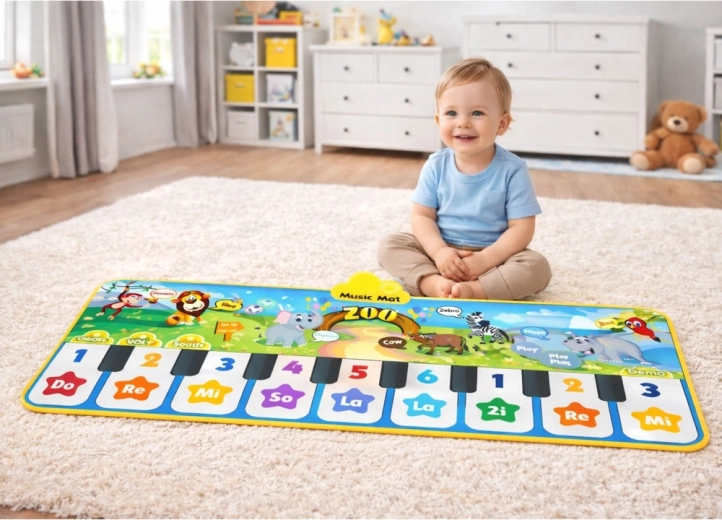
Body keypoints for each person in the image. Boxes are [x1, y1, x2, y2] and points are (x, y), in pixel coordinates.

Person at [377, 58, 552, 301]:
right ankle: (433, 283)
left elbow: (521, 228)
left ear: (502, 124)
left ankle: (474, 290)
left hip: (494, 259)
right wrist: (439, 252)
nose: (463, 123)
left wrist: (485, 259)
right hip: (440, 253)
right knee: (390, 245)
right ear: (438, 120)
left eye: (477, 113)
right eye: (451, 113)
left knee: (537, 266)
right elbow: (422, 217)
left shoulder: (513, 169)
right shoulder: (435, 165)